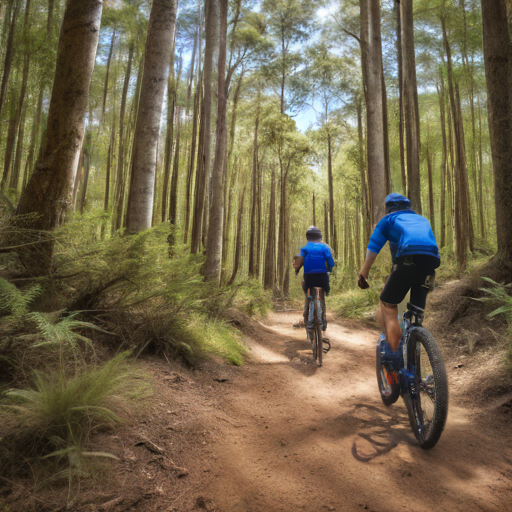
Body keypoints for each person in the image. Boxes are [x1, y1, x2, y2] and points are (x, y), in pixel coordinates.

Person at [357, 193, 440, 371]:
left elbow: (374, 246)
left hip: (406, 264)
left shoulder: (388, 220)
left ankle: (394, 357)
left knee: (388, 304)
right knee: (416, 314)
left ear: (389, 208)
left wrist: (364, 273)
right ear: (408, 207)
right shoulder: (421, 220)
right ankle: (417, 339)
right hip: (430, 266)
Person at [293, 226, 335, 331]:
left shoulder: (305, 248)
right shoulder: (325, 247)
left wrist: (297, 270)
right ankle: (323, 319)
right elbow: (330, 260)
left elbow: (299, 261)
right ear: (320, 237)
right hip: (322, 276)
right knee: (322, 296)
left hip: (309, 276)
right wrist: (330, 269)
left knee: (309, 295)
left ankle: (308, 319)